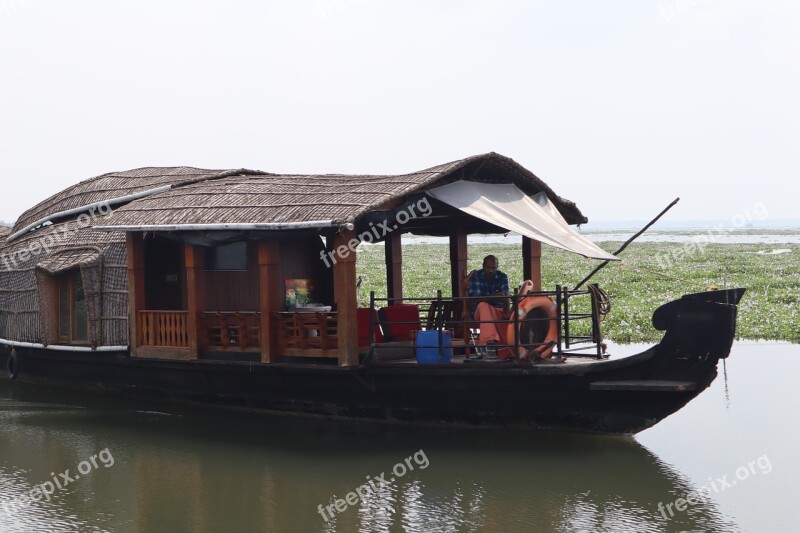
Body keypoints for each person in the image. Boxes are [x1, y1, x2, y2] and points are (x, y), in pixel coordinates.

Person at [467, 255, 510, 355]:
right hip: (479, 313)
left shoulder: (502, 277)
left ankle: (508, 348)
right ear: (483, 266)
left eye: (493, 268)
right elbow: (476, 300)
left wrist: (507, 313)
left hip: (497, 311)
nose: (490, 270)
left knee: (511, 315)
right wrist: (494, 296)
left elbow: (505, 298)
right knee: (483, 305)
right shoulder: (476, 276)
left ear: (497, 267)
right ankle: (489, 341)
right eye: (488, 267)